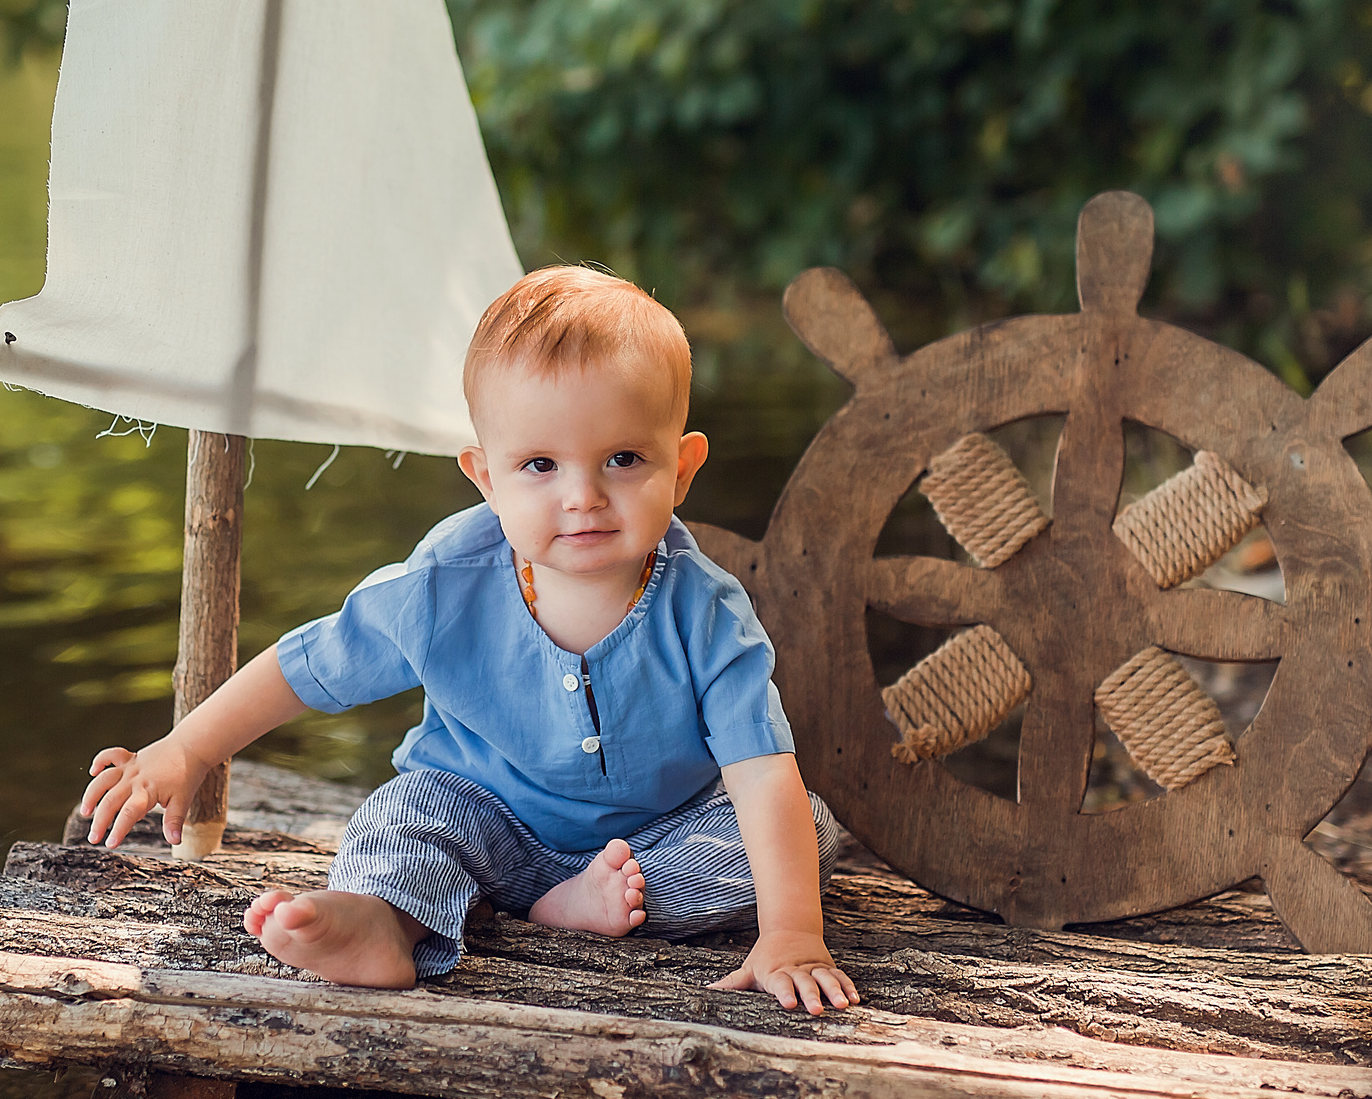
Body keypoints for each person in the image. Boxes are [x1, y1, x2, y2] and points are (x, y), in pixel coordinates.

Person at [76, 267, 857, 1014]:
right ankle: (380, 919)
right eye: (540, 465)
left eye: (623, 458)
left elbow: (759, 772)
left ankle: (577, 904)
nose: (581, 496)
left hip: (653, 843)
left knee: (804, 827)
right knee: (404, 809)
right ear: (485, 476)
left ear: (682, 468)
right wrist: (186, 748)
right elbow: (312, 664)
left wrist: (792, 933)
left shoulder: (708, 611)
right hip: (482, 817)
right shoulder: (446, 580)